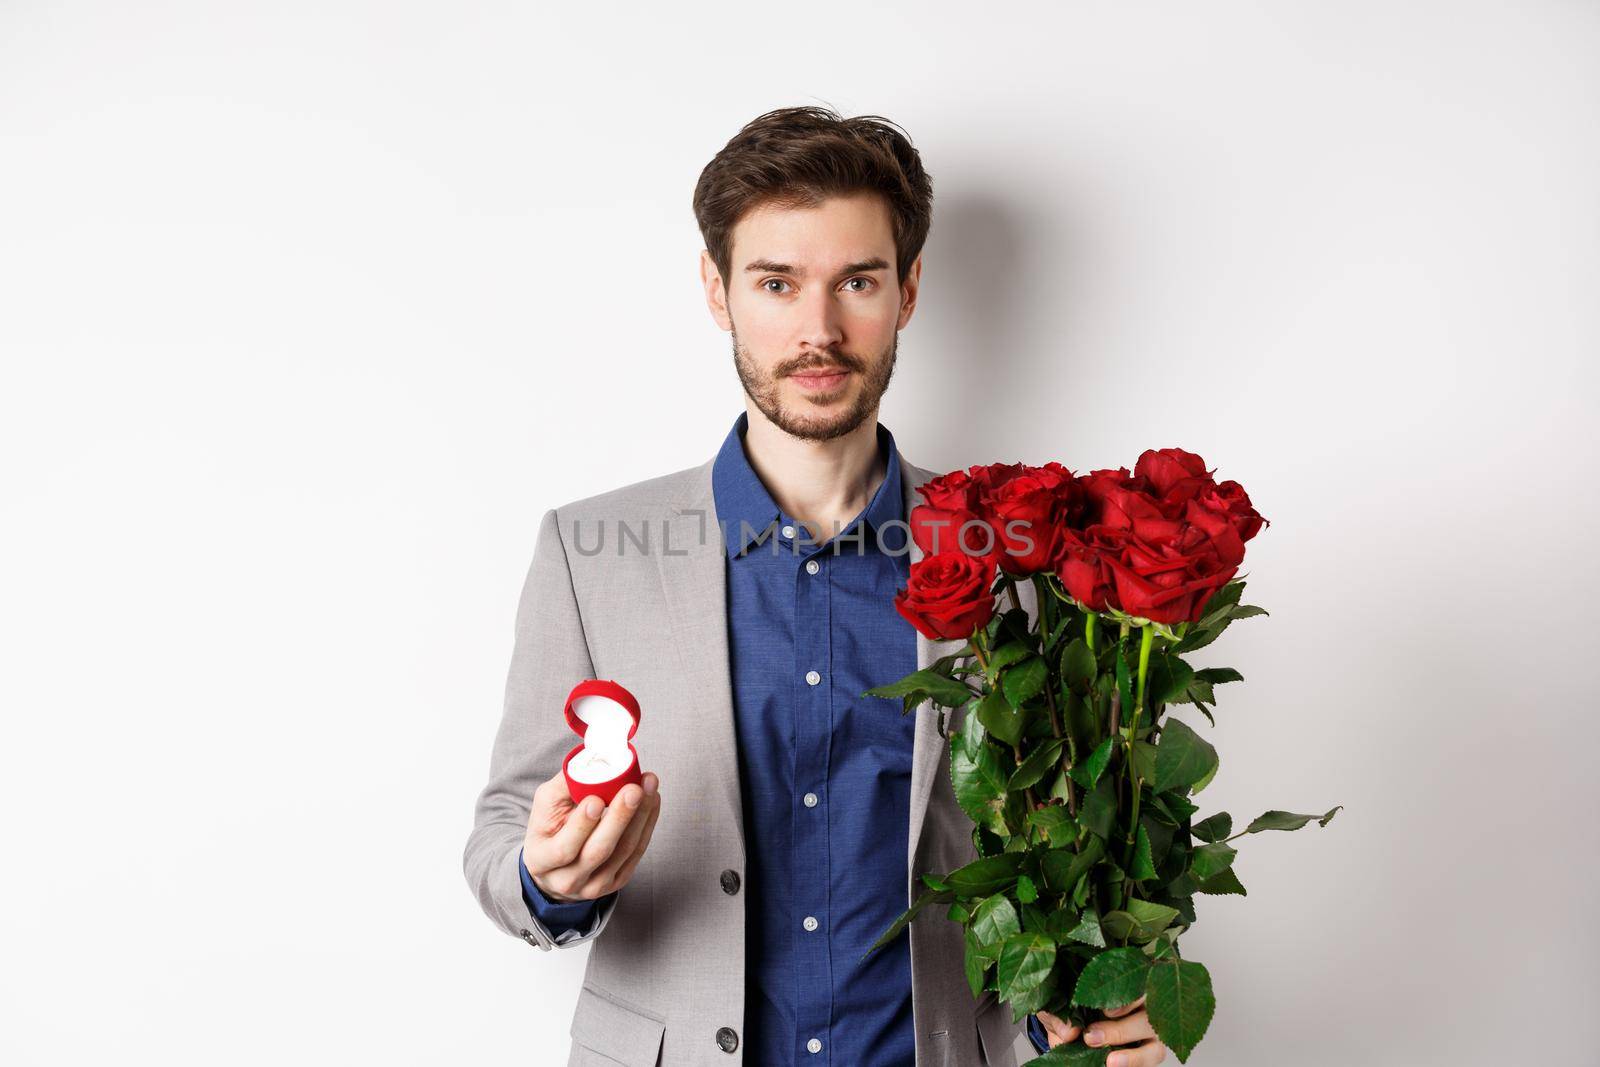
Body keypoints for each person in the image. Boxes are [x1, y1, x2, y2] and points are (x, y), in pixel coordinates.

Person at [462, 105, 1169, 1067]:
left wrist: (1102, 1010)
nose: (819, 328)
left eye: (857, 282)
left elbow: (1066, 845)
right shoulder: (591, 552)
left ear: (908, 289)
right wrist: (549, 875)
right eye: (777, 282)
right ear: (717, 290)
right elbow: (504, 833)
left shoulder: (1016, 556)